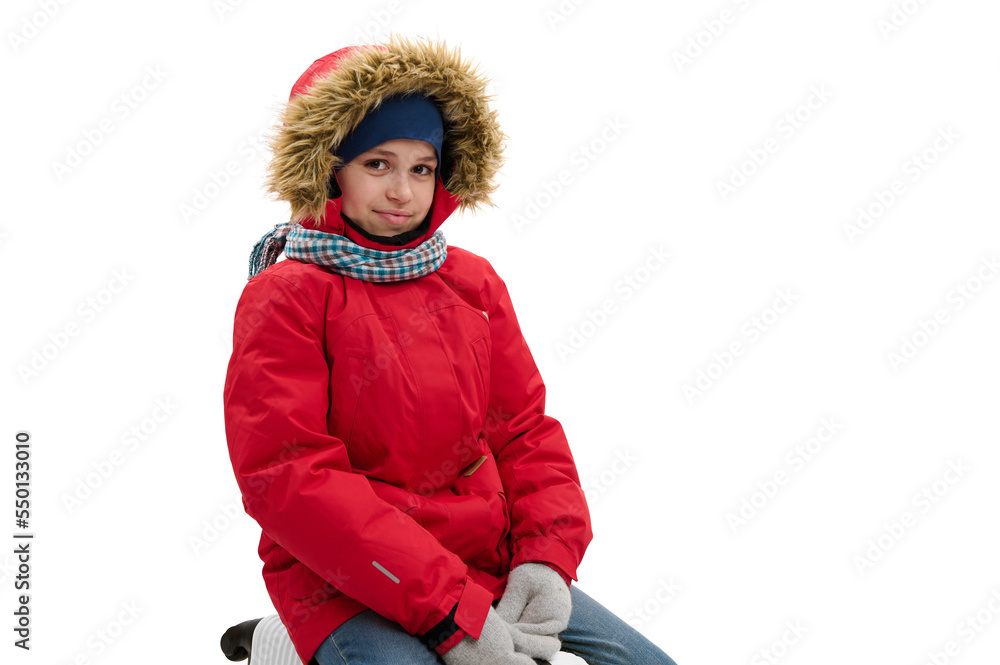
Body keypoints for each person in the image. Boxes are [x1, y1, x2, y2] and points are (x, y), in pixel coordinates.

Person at [223, 36, 678, 665]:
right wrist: (447, 614)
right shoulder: (288, 294)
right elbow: (291, 478)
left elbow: (523, 432)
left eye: (421, 167)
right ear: (329, 168)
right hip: (344, 581)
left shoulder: (472, 283)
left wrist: (545, 560)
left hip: (482, 561)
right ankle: (287, 643)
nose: (402, 191)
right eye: (377, 164)